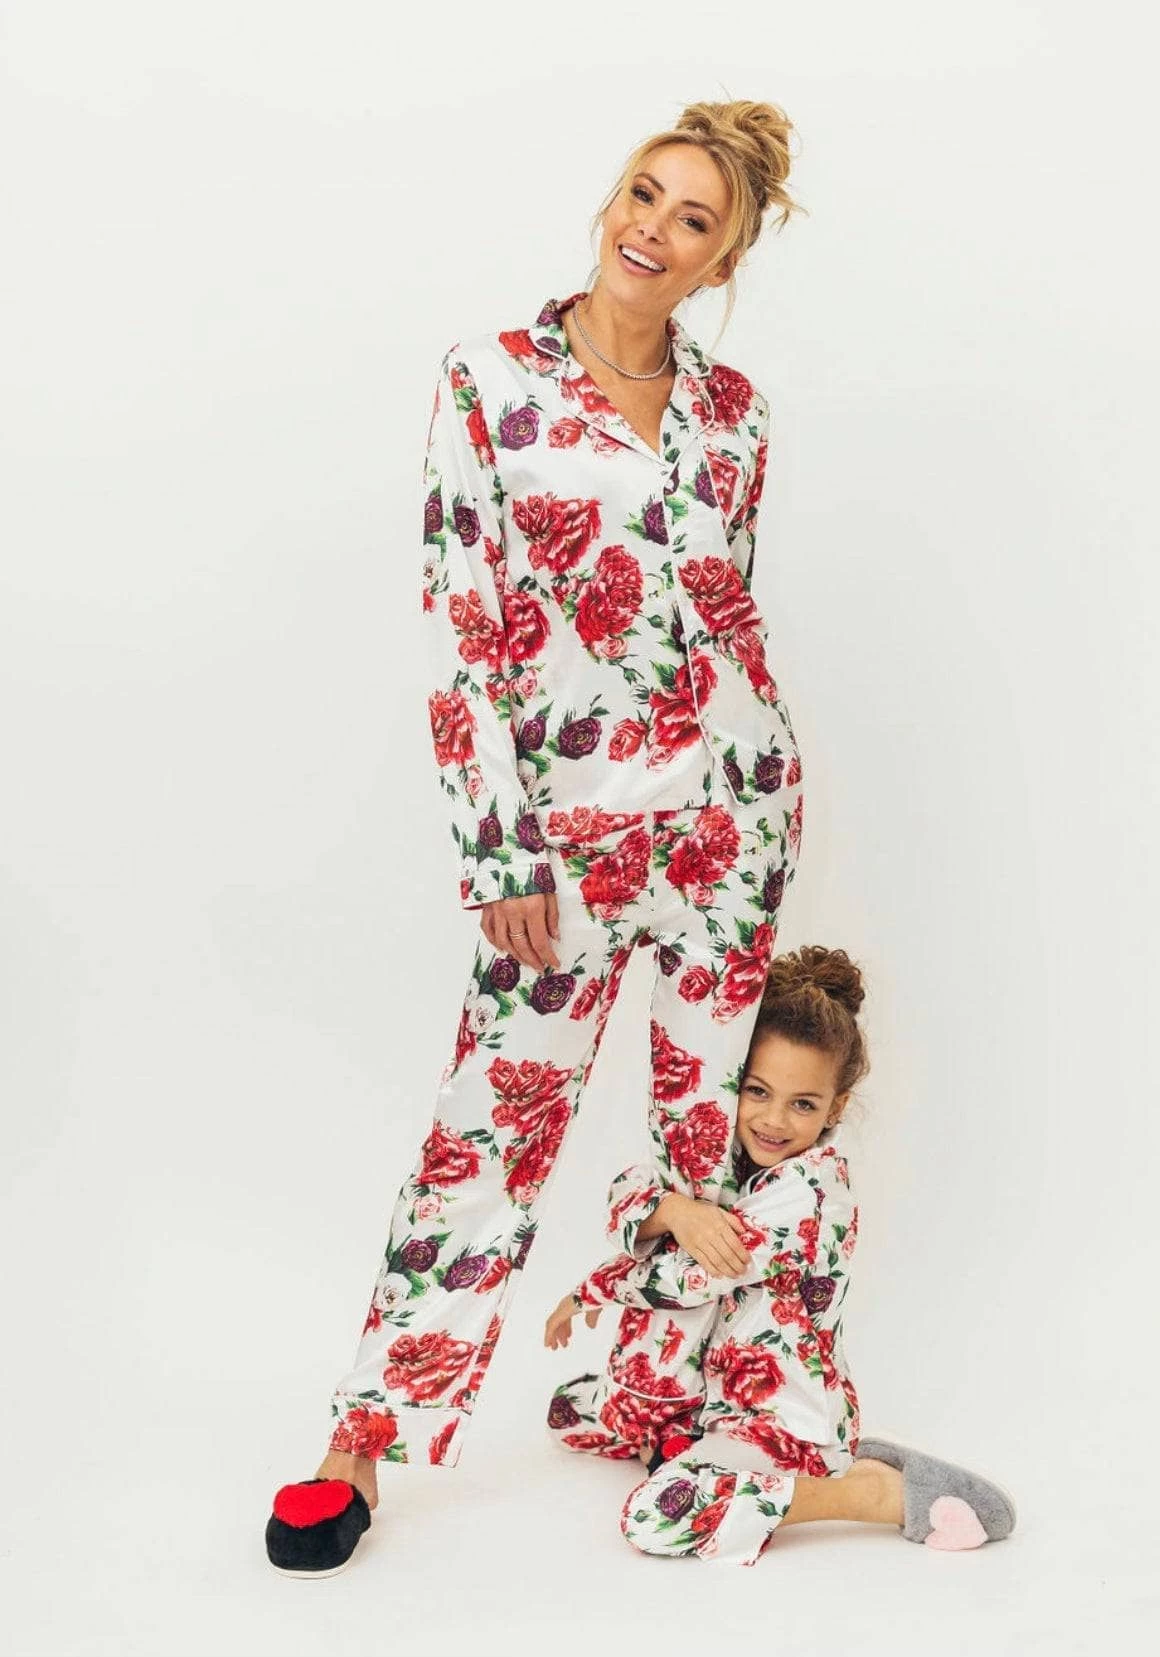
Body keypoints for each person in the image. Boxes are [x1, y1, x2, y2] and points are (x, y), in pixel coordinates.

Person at [265, 100, 813, 1578]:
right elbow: (467, 626)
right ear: (609, 200)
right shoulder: (491, 379)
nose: (653, 230)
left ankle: (675, 1400)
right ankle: (361, 1440)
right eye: (643, 194)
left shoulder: (738, 414)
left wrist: (762, 774)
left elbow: (721, 611)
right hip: (566, 842)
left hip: (731, 820)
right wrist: (500, 851)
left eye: (693, 220)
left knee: (707, 1145)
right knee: (487, 1141)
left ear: (722, 259)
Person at [543, 946, 1017, 1565]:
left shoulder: (809, 1194)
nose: (773, 1120)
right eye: (758, 1091)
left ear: (835, 1107)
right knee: (569, 1412)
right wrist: (675, 1210)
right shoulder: (719, 1156)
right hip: (707, 1390)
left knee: (654, 1519)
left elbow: (689, 1280)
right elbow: (628, 1188)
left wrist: (589, 1291)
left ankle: (869, 1491)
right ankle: (680, 1443)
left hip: (773, 1411)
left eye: (803, 1104)